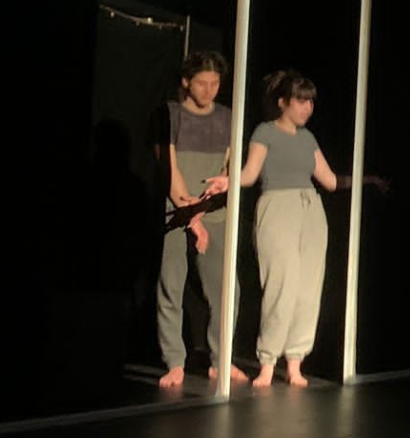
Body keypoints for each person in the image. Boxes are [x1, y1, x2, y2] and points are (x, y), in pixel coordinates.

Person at [227, 69, 384, 387]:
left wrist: (367, 180)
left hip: (311, 210)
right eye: (301, 101)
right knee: (280, 285)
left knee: (308, 289)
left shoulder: (308, 138)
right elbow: (249, 175)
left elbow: (328, 181)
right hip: (277, 207)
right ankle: (268, 362)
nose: (307, 108)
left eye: (311, 102)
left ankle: (295, 362)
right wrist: (225, 182)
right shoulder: (265, 132)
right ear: (283, 102)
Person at [154, 51, 246, 387]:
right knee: (171, 285)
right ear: (185, 83)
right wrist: (189, 214)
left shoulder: (227, 117)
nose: (209, 90)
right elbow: (169, 167)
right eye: (202, 83)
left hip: (213, 211)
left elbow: (228, 167)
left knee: (226, 291)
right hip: (176, 211)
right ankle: (174, 360)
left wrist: (204, 210)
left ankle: (221, 360)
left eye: (215, 83)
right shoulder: (170, 114)